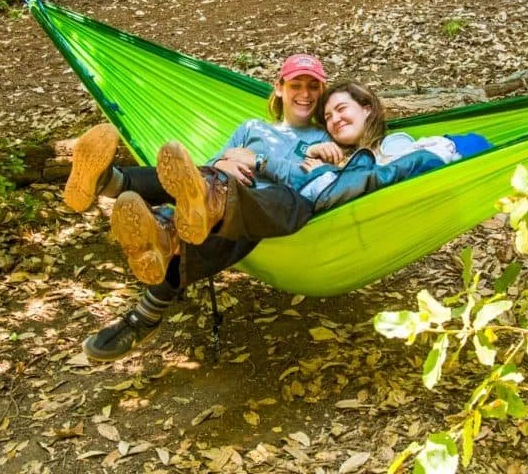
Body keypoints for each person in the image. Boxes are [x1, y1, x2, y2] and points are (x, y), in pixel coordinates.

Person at [65, 54, 331, 362]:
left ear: (322, 92)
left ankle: (123, 195)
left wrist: (257, 161)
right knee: (198, 191)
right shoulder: (252, 127)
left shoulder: (325, 137)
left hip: (263, 211)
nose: (305, 93)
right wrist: (223, 163)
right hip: (214, 195)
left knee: (216, 216)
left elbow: (317, 181)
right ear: (279, 88)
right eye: (296, 85)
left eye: (313, 86)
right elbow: (201, 170)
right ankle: (109, 183)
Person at [297, 80, 493, 211]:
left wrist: (325, 173)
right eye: (328, 117)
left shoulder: (395, 144)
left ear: (367, 109)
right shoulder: (331, 159)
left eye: (341, 109)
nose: (335, 119)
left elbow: (393, 179)